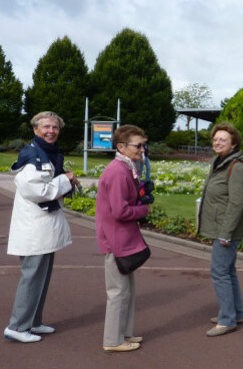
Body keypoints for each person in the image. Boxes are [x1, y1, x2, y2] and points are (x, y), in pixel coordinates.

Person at [4, 111, 78, 343]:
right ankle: (17, 326)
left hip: (43, 227)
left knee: (42, 277)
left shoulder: (48, 153)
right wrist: (66, 179)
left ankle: (33, 322)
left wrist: (64, 179)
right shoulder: (33, 156)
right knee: (32, 276)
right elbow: (37, 192)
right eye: (46, 127)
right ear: (35, 130)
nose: (51, 131)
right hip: (34, 228)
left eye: (55, 127)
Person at [198, 122, 243, 337]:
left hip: (227, 229)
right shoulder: (220, 161)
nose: (217, 142)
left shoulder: (238, 167)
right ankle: (235, 313)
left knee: (219, 272)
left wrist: (226, 232)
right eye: (215, 139)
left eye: (223, 139)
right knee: (228, 271)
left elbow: (236, 202)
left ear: (234, 144)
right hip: (220, 226)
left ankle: (227, 320)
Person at [96, 125, 151, 352]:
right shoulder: (118, 171)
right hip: (115, 240)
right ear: (121, 147)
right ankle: (113, 341)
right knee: (118, 292)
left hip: (121, 238)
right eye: (138, 145)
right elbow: (120, 211)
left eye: (143, 144)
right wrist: (143, 211)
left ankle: (124, 333)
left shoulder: (126, 167)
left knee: (126, 289)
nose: (142, 149)